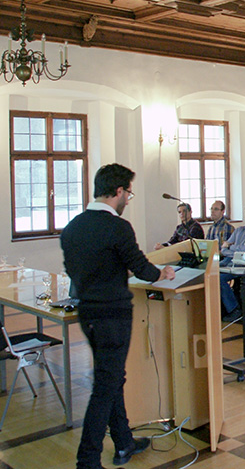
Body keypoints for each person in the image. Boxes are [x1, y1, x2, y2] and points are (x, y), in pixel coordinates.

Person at [61, 164, 176, 469]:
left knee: (111, 379)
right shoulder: (116, 227)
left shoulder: (73, 226)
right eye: (129, 193)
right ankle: (87, 460)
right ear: (119, 191)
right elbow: (140, 266)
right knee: (105, 386)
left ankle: (124, 442)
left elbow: (76, 269)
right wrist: (161, 272)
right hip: (113, 314)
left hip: (89, 313)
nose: (128, 199)